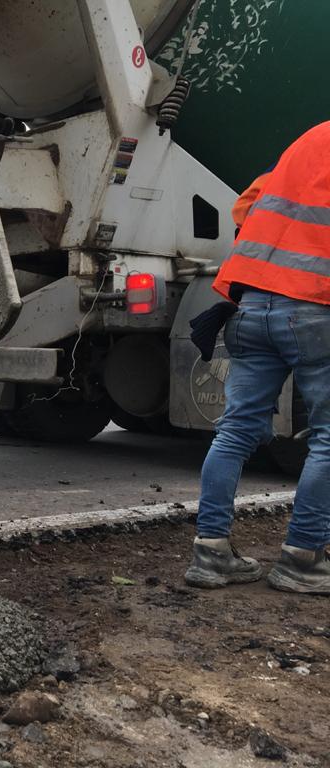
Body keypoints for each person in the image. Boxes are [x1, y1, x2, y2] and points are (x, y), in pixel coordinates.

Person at [184, 121, 330, 593]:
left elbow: (245, 205)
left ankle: (211, 553)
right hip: (313, 310)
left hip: (250, 304)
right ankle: (302, 559)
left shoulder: (310, 138)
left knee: (235, 431)